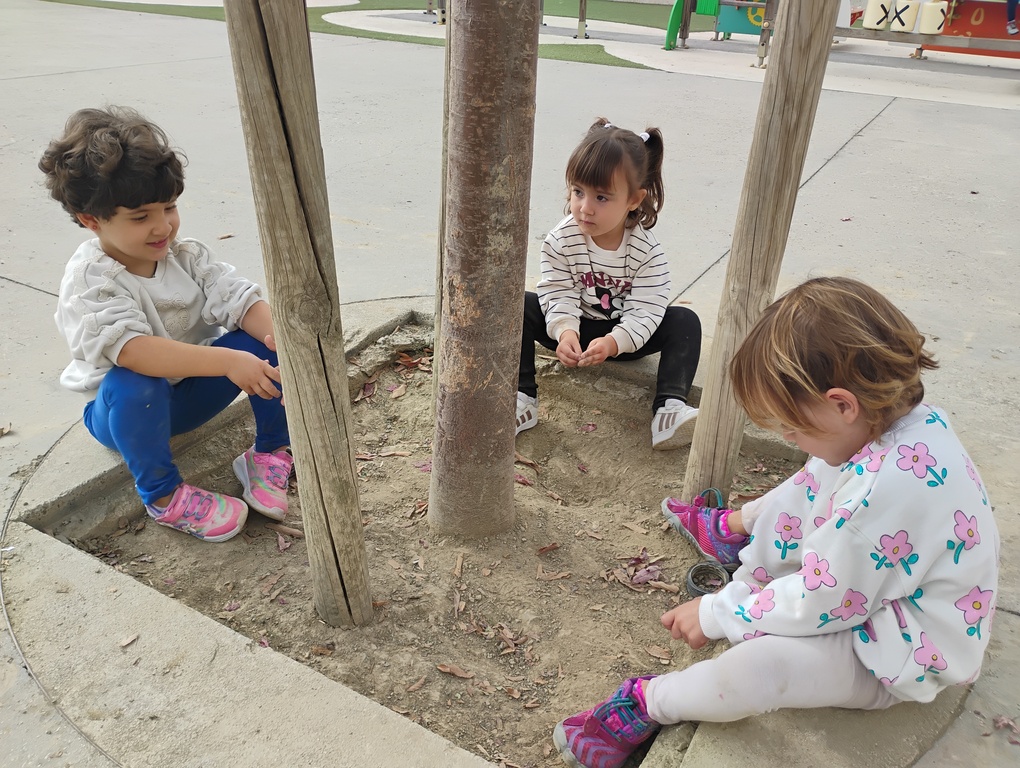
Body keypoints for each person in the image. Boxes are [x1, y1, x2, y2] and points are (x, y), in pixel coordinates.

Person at [552, 277, 999, 768]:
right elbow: (819, 499)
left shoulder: (879, 498)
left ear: (842, 404)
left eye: (791, 425)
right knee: (817, 472)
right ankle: (736, 537)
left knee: (762, 668)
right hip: (876, 588)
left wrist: (721, 612)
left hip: (899, 649)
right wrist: (755, 579)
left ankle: (651, 700)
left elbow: (822, 602)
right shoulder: (900, 424)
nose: (788, 436)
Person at [40, 106, 294, 543]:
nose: (163, 227)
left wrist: (291, 350)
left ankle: (271, 450)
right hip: (126, 414)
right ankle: (164, 495)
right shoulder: (90, 282)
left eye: (170, 207)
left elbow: (240, 300)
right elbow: (135, 351)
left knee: (267, 342)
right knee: (134, 382)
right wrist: (228, 362)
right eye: (140, 217)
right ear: (91, 219)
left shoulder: (187, 256)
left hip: (193, 392)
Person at [516, 118, 702, 450]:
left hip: (625, 338)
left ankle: (669, 410)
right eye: (578, 192)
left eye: (601, 197)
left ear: (634, 199)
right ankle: (522, 399)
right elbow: (557, 291)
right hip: (575, 332)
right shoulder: (561, 240)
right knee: (518, 306)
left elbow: (647, 310)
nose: (585, 208)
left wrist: (615, 342)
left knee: (685, 321)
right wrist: (565, 332)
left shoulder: (647, 252)